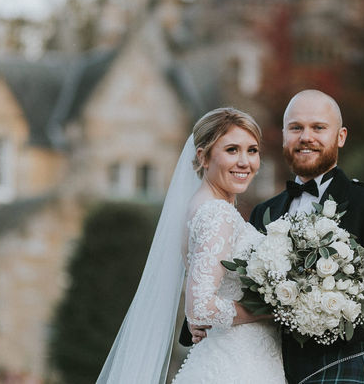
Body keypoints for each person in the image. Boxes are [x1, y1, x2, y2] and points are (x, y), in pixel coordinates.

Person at [183, 90, 364, 383]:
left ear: (341, 136)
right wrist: (196, 321)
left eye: (318, 128)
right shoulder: (263, 212)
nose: (306, 137)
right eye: (296, 128)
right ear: (284, 136)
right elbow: (230, 279)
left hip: (342, 365)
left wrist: (333, 318)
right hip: (263, 367)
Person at [97, 108, 286, 383]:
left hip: (234, 356)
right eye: (232, 150)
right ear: (203, 156)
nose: (245, 162)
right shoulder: (216, 215)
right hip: (237, 366)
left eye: (252, 150)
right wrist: (273, 308)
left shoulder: (202, 207)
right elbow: (200, 307)